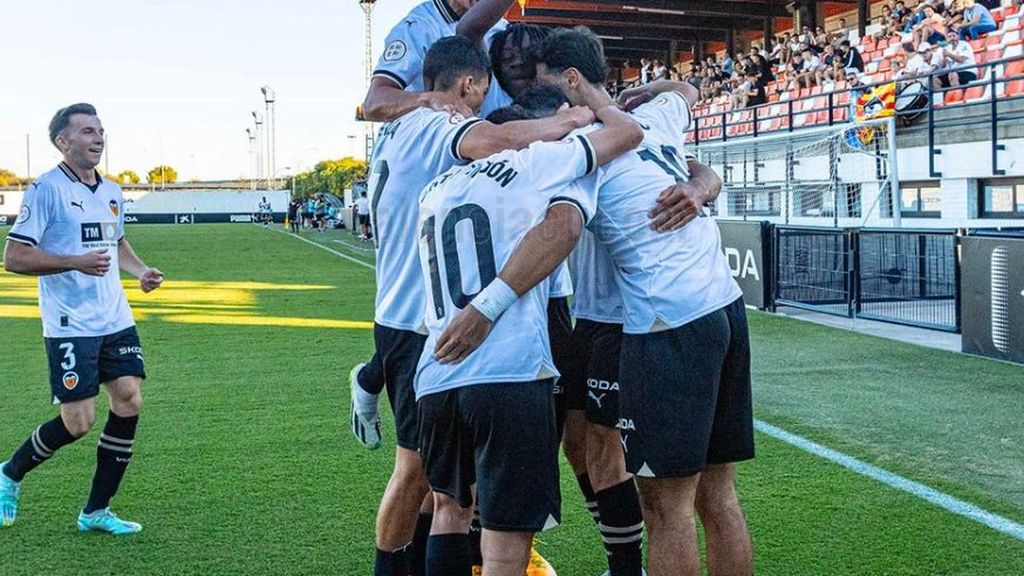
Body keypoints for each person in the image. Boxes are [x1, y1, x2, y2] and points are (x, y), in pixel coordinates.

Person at [351, 35, 594, 576]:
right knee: (424, 481)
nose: (482, 102)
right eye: (481, 91)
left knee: (440, 492)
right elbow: (498, 138)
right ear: (467, 85)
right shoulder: (441, 124)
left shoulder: (398, 129)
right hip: (429, 321)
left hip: (402, 313)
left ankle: (370, 377)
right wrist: (564, 126)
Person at [531, 28, 755, 576]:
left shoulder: (586, 150)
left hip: (667, 324)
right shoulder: (657, 120)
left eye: (552, 91)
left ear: (573, 80)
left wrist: (489, 305)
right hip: (724, 305)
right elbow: (686, 90)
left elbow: (558, 230)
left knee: (666, 508)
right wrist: (645, 93)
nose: (551, 108)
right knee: (718, 496)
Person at [414, 97, 643, 576]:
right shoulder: (534, 162)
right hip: (507, 370)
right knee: (504, 541)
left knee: (448, 513)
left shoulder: (434, 188)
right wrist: (582, 114)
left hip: (436, 372)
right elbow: (627, 135)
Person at [0, 103, 164, 534]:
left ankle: (95, 511)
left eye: (101, 130)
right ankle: (10, 472)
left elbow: (118, 244)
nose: (98, 137)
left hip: (116, 318)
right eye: (88, 131)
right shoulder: (45, 190)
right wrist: (73, 262)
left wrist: (140, 270)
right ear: (63, 141)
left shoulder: (111, 190)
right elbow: (14, 257)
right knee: (79, 423)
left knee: (129, 399)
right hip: (70, 324)